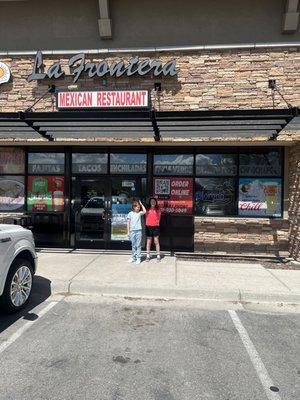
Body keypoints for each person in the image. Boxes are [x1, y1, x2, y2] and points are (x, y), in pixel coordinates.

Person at [127, 200, 146, 264]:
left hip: (139, 231)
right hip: (132, 231)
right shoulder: (130, 213)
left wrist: (141, 204)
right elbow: (128, 223)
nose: (138, 208)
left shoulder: (140, 213)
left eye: (139, 207)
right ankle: (133, 257)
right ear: (134, 207)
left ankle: (138, 258)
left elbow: (145, 211)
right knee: (133, 245)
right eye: (137, 207)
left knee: (138, 245)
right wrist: (128, 232)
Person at [145, 198, 161, 262]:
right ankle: (148, 255)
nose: (153, 202)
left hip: (155, 227)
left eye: (154, 201)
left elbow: (159, 218)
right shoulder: (147, 209)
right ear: (149, 202)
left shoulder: (158, 209)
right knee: (149, 242)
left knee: (156, 241)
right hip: (148, 226)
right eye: (151, 201)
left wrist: (156, 224)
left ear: (156, 202)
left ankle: (158, 255)